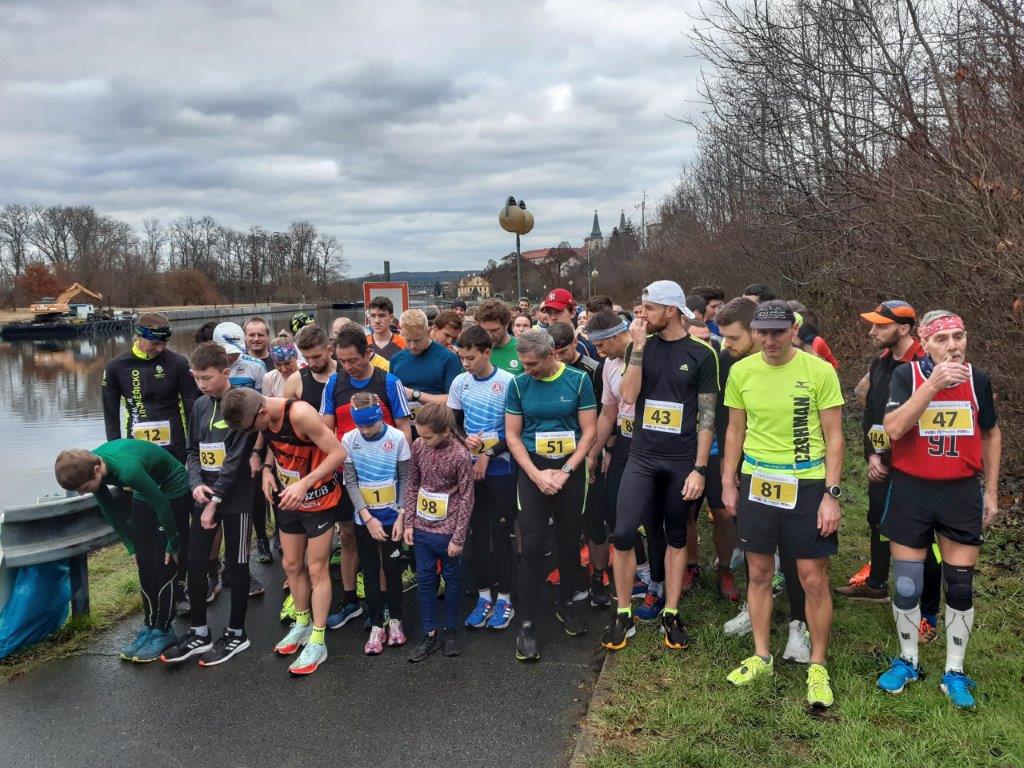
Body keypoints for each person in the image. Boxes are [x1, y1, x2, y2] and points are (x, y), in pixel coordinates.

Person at [721, 300, 844, 709]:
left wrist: (831, 494)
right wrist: (728, 481)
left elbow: (835, 436)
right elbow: (735, 430)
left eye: (778, 332)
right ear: (754, 332)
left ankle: (818, 664)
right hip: (758, 481)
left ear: (794, 329)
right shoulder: (741, 371)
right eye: (762, 332)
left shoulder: (818, 371)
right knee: (758, 571)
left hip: (807, 482)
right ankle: (761, 655)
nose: (769, 340)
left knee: (811, 577)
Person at [876, 311, 1001, 709]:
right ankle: (908, 659)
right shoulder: (907, 376)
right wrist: (931, 386)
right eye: (943, 338)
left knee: (960, 585)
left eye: (959, 336)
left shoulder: (978, 379)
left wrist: (992, 492)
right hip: (913, 490)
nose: (953, 345)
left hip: (960, 491)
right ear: (926, 344)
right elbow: (893, 429)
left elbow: (991, 433)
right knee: (908, 583)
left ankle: (955, 670)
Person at [600, 281, 717, 653]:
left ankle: (671, 610)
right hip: (644, 455)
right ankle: (623, 612)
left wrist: (700, 467)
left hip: (681, 457)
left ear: (670, 311)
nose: (640, 315)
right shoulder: (641, 348)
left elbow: (707, 417)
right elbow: (629, 396)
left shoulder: (702, 353)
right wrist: (636, 349)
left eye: (648, 308)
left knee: (675, 534)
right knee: (621, 532)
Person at [222, 387, 346, 675]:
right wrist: (267, 470)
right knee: (291, 565)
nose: (252, 432)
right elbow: (268, 444)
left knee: (316, 569)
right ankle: (301, 624)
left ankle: (318, 639)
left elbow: (339, 452)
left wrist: (306, 483)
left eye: (252, 427)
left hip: (318, 499)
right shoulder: (262, 417)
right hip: (288, 498)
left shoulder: (300, 414)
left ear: (262, 412)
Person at [836, 302, 939, 634]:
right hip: (882, 462)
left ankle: (929, 612)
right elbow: (871, 414)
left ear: (905, 329)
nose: (872, 331)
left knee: (922, 536)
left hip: (917, 467)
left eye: (880, 326)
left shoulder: (928, 366)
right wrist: (872, 456)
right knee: (878, 520)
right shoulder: (880, 363)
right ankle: (877, 583)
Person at [714, 298, 808, 657]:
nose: (726, 345)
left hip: (795, 471)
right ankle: (754, 613)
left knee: (795, 553)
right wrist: (728, 473)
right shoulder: (734, 363)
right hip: (750, 467)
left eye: (734, 338)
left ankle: (799, 625)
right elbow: (733, 424)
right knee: (756, 553)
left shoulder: (800, 363)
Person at [162, 343, 259, 667]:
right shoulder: (199, 404)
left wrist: (215, 499)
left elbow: (234, 461)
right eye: (197, 378)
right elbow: (192, 451)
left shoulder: (242, 404)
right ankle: (200, 632)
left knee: (236, 565)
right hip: (205, 495)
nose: (201, 384)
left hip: (236, 498)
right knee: (195, 562)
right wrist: (195, 484)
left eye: (207, 378)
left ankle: (236, 632)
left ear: (226, 373)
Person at [506, 329, 597, 661]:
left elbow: (589, 431)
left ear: (550, 356)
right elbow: (513, 436)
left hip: (568, 470)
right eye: (524, 363)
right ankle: (527, 620)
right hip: (534, 470)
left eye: (532, 363)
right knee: (531, 543)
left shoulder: (577, 380)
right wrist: (535, 474)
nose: (527, 369)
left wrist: (567, 470)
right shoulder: (518, 385)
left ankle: (566, 601)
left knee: (569, 540)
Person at [54, 440, 189, 662]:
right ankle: (150, 625)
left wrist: (173, 542)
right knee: (144, 563)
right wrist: (130, 545)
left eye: (84, 488)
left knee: (163, 563)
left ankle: (164, 630)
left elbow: (162, 505)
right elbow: (109, 509)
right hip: (145, 488)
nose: (81, 494)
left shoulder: (129, 471)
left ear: (98, 470)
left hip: (171, 488)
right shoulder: (88, 465)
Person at [102, 312, 197, 606]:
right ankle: (157, 584)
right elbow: (110, 418)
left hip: (173, 453)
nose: (160, 349)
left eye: (164, 344)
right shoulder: (117, 366)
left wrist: (191, 452)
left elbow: (193, 406)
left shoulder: (177, 363)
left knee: (178, 521)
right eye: (154, 344)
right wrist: (114, 458)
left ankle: (183, 585)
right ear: (138, 336)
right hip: (136, 458)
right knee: (148, 522)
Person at [322, 327, 413, 628]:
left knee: (383, 543)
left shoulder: (388, 382)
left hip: (384, 475)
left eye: (353, 361)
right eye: (342, 361)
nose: (347, 367)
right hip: (348, 474)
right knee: (349, 537)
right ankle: (351, 601)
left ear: (367, 353)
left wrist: (408, 472)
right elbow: (326, 428)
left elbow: (403, 426)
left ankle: (385, 606)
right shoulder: (335, 383)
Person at [584, 311, 659, 611]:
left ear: (617, 336)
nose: (599, 352)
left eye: (602, 345)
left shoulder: (644, 355)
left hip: (653, 441)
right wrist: (594, 452)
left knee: (653, 517)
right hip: (626, 441)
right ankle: (640, 571)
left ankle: (659, 579)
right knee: (617, 515)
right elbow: (607, 414)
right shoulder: (608, 365)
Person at [449, 325, 518, 631]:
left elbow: (515, 430)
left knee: (501, 536)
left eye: (471, 358)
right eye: (462, 358)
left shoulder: (508, 382)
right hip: (470, 470)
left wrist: (489, 454)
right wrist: (465, 443)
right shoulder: (460, 383)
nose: (466, 364)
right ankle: (483, 596)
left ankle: (505, 598)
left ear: (487, 353)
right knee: (476, 535)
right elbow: (455, 426)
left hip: (501, 468)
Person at [340, 392, 412, 655]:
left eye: (370, 424)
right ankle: (376, 626)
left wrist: (402, 515)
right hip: (365, 518)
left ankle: (395, 619)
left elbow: (405, 478)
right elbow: (351, 481)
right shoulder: (349, 439)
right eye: (360, 425)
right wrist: (366, 517)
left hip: (392, 516)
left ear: (380, 417)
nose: (366, 430)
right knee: (369, 570)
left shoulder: (396, 438)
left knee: (392, 568)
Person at [402, 403, 475, 661]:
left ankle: (451, 630)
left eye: (428, 436)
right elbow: (412, 484)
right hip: (422, 527)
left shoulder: (460, 455)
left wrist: (458, 537)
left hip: (448, 529)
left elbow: (467, 497)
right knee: (425, 579)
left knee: (452, 578)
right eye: (420, 435)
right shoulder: (419, 446)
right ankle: (429, 633)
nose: (423, 440)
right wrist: (408, 522)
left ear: (446, 431)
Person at [549, 321, 610, 608]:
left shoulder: (593, 369)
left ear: (575, 343)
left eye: (562, 351)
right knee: (566, 524)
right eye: (553, 352)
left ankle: (599, 575)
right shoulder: (544, 370)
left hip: (589, 451)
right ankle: (572, 576)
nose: (558, 358)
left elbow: (604, 415)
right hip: (556, 454)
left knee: (595, 521)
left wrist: (597, 453)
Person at [390, 309, 461, 411]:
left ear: (428, 332)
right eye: (408, 340)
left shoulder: (449, 358)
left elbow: (453, 401)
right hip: (405, 423)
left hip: (436, 422)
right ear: (401, 333)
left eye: (418, 340)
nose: (413, 346)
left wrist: (416, 394)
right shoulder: (395, 360)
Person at [537, 288, 598, 358]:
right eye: (549, 312)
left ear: (572, 312)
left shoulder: (587, 345)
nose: (553, 317)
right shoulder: (541, 345)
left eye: (558, 312)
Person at [213, 322, 266, 392]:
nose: (230, 357)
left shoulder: (257, 366)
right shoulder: (204, 366)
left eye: (235, 352)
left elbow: (262, 399)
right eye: (225, 352)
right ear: (214, 344)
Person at [475, 298, 521, 374]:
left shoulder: (521, 349)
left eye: (494, 330)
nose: (489, 335)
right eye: (485, 330)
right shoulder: (474, 349)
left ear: (506, 325)